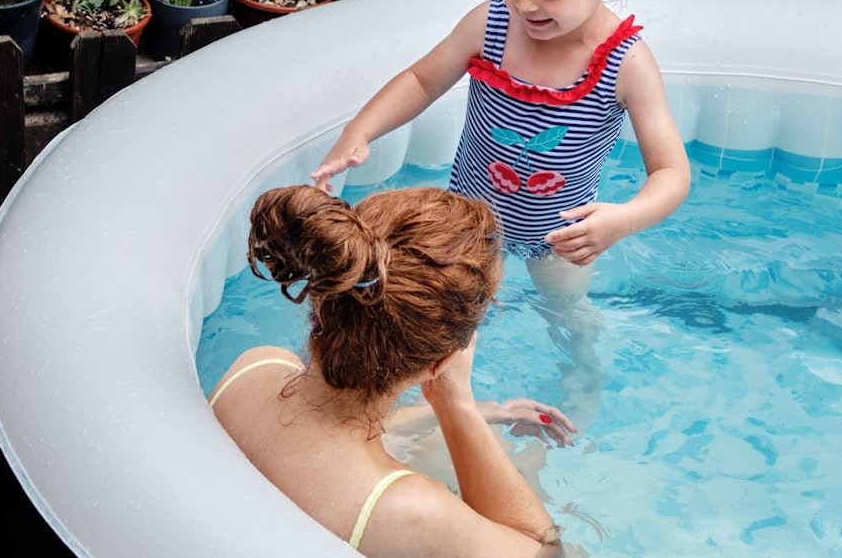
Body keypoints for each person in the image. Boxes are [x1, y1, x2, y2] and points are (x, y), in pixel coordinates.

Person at [311, 0, 690, 295]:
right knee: (453, 317)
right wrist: (359, 131)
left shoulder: (625, 62)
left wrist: (621, 220)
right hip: (468, 225)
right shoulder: (492, 23)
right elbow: (422, 80)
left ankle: (582, 373)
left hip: (562, 239)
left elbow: (671, 172)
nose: (525, 3)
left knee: (570, 321)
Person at [209, 185, 578, 557]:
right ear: (443, 360)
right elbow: (547, 550)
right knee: (529, 459)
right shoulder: (408, 510)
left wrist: (489, 412)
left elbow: (328, 433)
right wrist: (457, 406)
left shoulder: (254, 367)